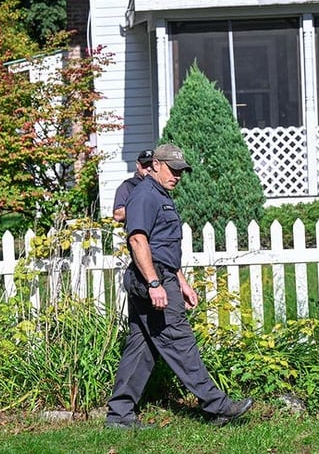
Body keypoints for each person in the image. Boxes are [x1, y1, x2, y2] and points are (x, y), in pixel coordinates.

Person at [105, 143, 253, 429]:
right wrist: (155, 283)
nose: (178, 176)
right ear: (156, 165)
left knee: (142, 347)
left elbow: (164, 247)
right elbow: (138, 240)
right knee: (180, 342)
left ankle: (119, 415)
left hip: (160, 276)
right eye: (173, 170)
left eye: (182, 171)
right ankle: (216, 406)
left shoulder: (160, 195)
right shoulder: (145, 196)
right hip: (151, 280)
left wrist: (181, 281)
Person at [112, 149, 154, 222]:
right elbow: (118, 215)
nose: (149, 169)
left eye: (152, 165)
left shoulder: (160, 186)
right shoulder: (128, 186)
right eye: (145, 165)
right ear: (138, 165)